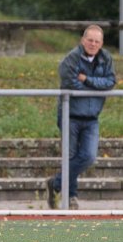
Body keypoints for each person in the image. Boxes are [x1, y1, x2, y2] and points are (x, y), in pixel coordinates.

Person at [47, 25, 116, 210]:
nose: (93, 44)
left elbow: (110, 82)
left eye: (97, 41)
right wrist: (95, 88)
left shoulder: (106, 58)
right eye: (90, 40)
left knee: (88, 156)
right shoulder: (71, 58)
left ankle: (56, 183)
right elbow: (70, 83)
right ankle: (71, 197)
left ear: (101, 43)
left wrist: (87, 80)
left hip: (92, 117)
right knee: (69, 156)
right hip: (70, 114)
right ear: (83, 40)